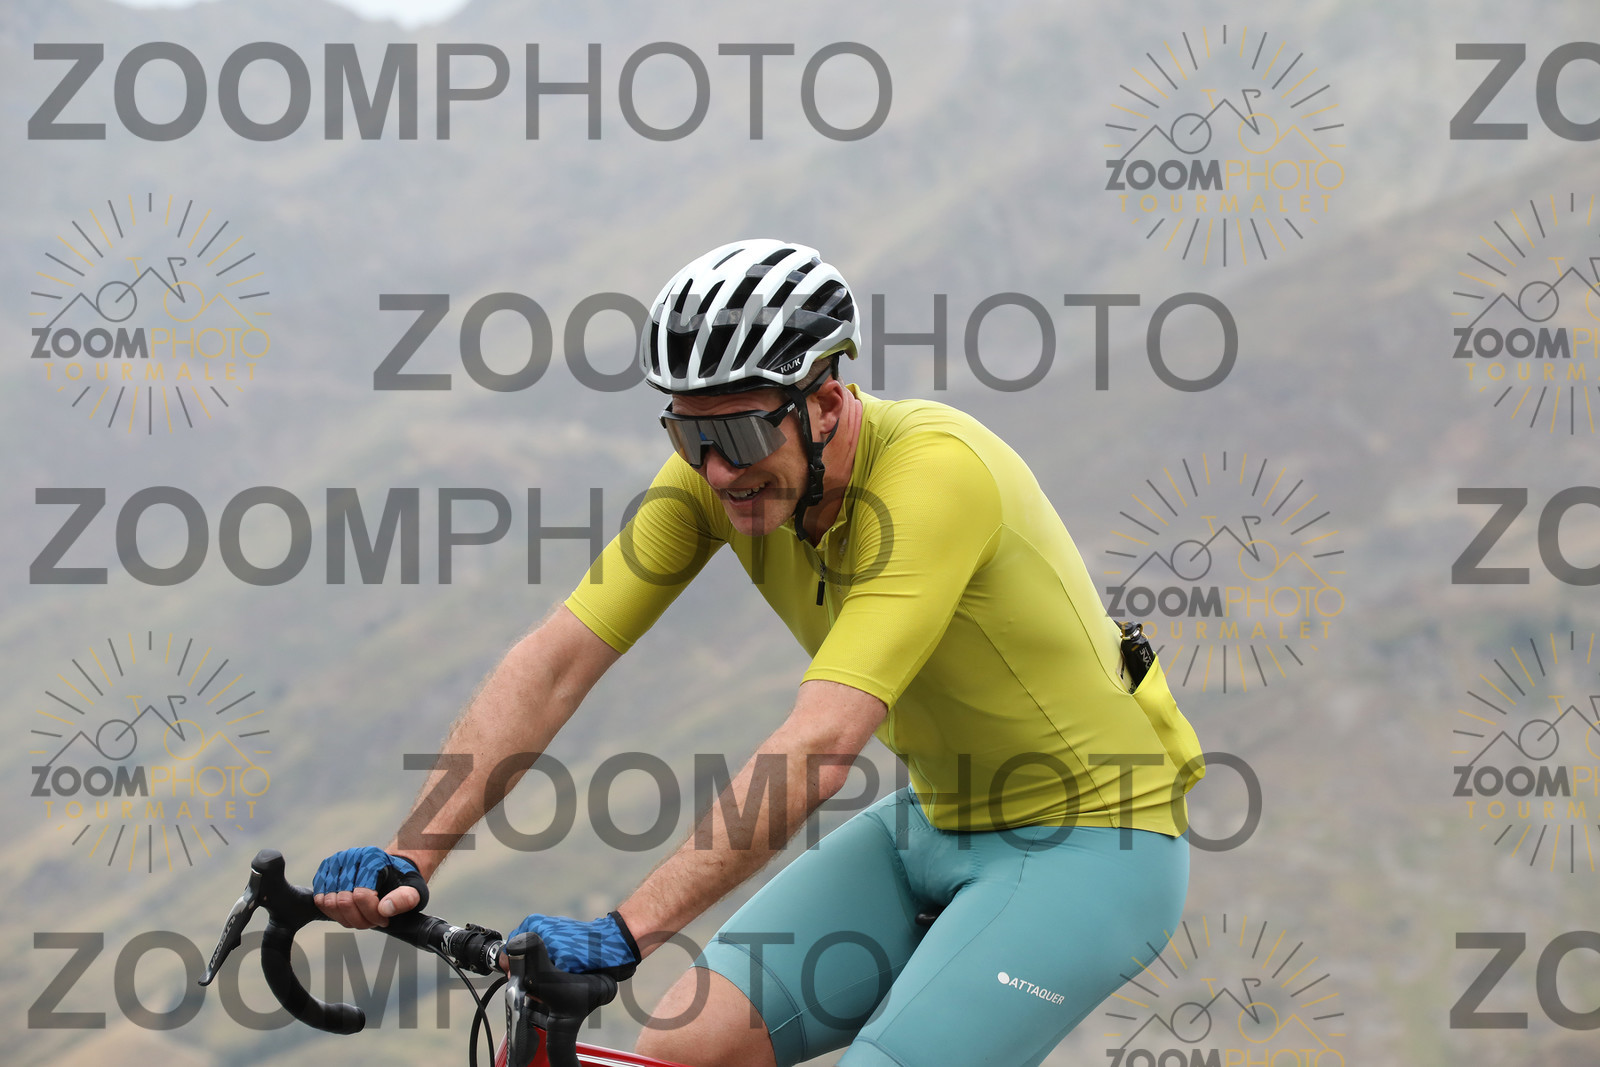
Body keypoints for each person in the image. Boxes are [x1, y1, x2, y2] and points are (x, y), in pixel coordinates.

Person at [313, 239, 1205, 1067]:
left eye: (738, 435)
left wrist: (626, 931)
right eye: (687, 435)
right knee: (679, 1049)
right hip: (935, 822)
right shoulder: (715, 477)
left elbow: (818, 746)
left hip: (1093, 844)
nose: (716, 470)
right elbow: (556, 662)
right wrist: (412, 854)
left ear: (826, 404)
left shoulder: (936, 477)